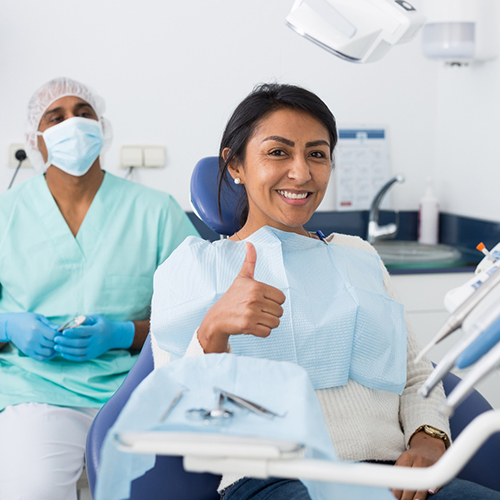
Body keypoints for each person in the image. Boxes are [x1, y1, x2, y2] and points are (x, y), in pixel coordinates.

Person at [149, 83, 500, 500]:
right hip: (273, 481)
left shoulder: (358, 255)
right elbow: (176, 417)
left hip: (395, 479)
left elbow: (414, 370)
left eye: (316, 154)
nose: (301, 172)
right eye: (278, 152)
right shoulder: (191, 269)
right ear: (234, 166)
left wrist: (428, 439)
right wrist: (212, 334)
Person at [0, 77, 199, 500]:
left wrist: (125, 334)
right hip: (37, 390)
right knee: (31, 488)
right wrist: (7, 327)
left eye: (84, 113)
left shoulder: (155, 212)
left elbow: (198, 314)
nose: (73, 123)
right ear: (36, 140)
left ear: (101, 127)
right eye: (56, 117)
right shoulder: (6, 214)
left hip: (137, 387)